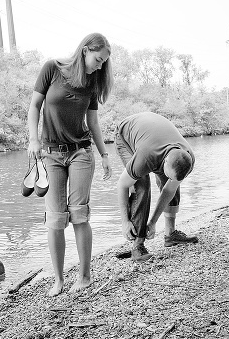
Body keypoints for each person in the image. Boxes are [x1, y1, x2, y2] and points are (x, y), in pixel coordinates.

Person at [27, 33, 113, 296]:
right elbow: (34, 106)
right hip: (50, 154)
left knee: (79, 213)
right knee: (54, 219)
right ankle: (58, 280)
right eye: (98, 59)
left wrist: (104, 154)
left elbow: (93, 123)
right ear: (85, 50)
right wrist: (33, 139)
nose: (99, 66)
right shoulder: (52, 69)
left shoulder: (92, 85)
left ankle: (85, 276)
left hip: (80, 154)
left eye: (103, 63)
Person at [115, 111, 198, 262]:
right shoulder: (147, 156)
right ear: (164, 161)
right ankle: (138, 244)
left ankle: (170, 234)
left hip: (152, 132)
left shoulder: (187, 158)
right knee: (142, 185)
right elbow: (122, 185)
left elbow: (169, 190)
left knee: (170, 182)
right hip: (126, 135)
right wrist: (124, 221)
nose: (171, 179)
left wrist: (152, 222)